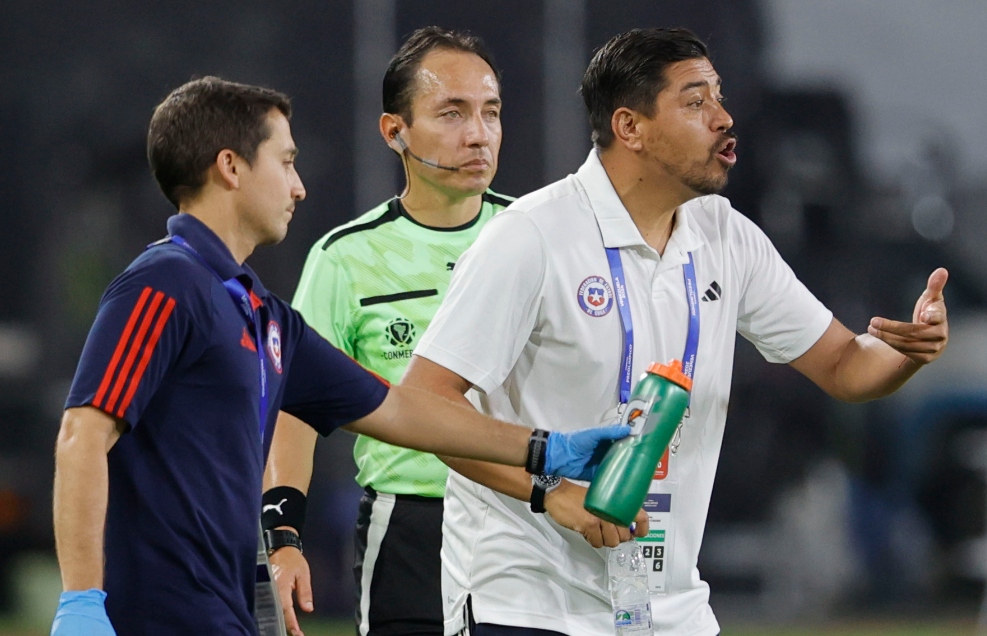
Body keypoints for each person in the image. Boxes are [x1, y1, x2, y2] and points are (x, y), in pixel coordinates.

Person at [402, 28, 950, 636]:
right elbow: (424, 405)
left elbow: (847, 365)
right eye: (695, 102)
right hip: (531, 606)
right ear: (630, 127)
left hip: (668, 610)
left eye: (718, 97)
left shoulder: (725, 234)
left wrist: (907, 352)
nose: (723, 118)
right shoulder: (532, 236)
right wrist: (549, 491)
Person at [50, 76, 627, 636]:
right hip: (152, 614)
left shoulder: (261, 313)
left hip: (223, 610)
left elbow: (401, 410)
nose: (299, 186)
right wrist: (80, 600)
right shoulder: (162, 284)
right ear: (230, 167)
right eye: (285, 162)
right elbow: (83, 435)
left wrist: (545, 448)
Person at [262, 27, 512, 636]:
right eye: (452, 113)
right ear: (394, 131)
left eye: (490, 113)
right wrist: (283, 535)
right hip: (409, 531)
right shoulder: (346, 258)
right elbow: (296, 409)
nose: (477, 133)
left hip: (527, 517)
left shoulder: (536, 237)